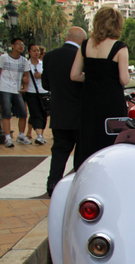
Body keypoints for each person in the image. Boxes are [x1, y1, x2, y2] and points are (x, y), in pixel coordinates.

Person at [71, 6, 129, 168]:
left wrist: (92, 78)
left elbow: (74, 75)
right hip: (111, 100)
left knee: (89, 136)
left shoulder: (85, 45)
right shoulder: (120, 47)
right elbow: (124, 79)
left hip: (89, 99)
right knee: (110, 136)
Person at [42, 26, 87, 197]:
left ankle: (53, 185)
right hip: (80, 114)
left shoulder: (50, 56)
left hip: (59, 113)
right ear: (82, 41)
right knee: (81, 154)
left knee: (59, 152)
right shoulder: (82, 56)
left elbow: (45, 85)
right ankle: (77, 188)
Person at [0, 38, 32, 147]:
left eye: (22, 44)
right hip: (4, 88)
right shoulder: (4, 58)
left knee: (23, 113)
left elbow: (26, 75)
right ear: (12, 45)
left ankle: (21, 135)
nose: (21, 46)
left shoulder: (24, 60)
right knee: (6, 113)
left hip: (17, 90)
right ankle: (7, 137)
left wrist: (25, 87)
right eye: (18, 44)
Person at [24, 44, 47, 145]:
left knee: (44, 114)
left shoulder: (43, 64)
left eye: (38, 51)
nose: (36, 53)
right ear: (29, 52)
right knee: (35, 113)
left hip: (43, 92)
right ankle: (39, 135)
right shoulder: (26, 65)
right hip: (31, 92)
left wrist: (41, 75)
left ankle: (41, 133)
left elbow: (48, 75)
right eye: (34, 51)